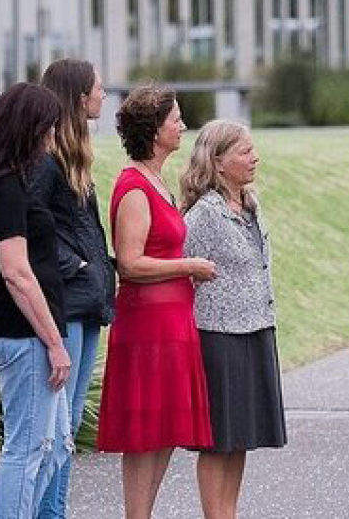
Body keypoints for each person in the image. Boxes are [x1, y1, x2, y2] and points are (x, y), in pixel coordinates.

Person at [96, 85, 217, 519]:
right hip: (147, 324)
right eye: (176, 119)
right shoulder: (133, 187)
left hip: (172, 321)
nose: (182, 125)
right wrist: (189, 266)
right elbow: (129, 264)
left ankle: (144, 513)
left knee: (165, 428)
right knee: (145, 431)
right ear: (154, 129)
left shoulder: (157, 181)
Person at [0, 82, 72, 519]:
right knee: (27, 450)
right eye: (48, 127)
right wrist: (54, 342)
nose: (52, 137)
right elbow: (16, 272)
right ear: (29, 128)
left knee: (57, 444)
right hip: (21, 334)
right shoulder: (3, 185)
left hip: (26, 334)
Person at [179, 120, 288, 519]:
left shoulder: (250, 204)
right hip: (218, 336)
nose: (254, 157)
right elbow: (181, 267)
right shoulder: (204, 214)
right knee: (218, 440)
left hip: (256, 328)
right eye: (244, 151)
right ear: (219, 161)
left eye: (252, 149)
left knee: (240, 437)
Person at [35, 59, 117, 519]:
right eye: (97, 89)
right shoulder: (44, 161)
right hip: (66, 302)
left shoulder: (73, 157)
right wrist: (78, 266)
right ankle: (49, 513)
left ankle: (55, 511)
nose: (103, 95)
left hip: (86, 302)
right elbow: (33, 227)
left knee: (70, 419)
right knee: (57, 422)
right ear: (78, 96)